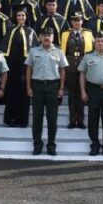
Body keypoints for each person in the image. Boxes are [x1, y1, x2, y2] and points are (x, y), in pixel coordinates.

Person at [26, 27, 68, 155]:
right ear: (39, 37)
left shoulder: (59, 52)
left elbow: (62, 71)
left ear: (53, 38)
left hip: (53, 86)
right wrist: (29, 87)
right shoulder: (33, 51)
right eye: (44, 35)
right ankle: (37, 145)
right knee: (37, 118)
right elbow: (29, 70)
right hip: (37, 86)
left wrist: (61, 88)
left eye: (49, 35)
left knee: (52, 118)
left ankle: (51, 145)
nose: (46, 38)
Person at [1, 6, 38, 127]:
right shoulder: (11, 30)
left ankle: (22, 119)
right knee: (11, 91)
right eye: (18, 15)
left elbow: (35, 49)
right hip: (12, 65)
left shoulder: (31, 31)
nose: (20, 17)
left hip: (25, 66)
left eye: (23, 15)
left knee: (23, 92)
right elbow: (4, 48)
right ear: (15, 17)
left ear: (26, 17)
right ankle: (10, 118)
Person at [60, 13, 95, 129]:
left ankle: (80, 120)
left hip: (84, 64)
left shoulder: (88, 34)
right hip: (70, 66)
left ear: (82, 22)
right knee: (71, 94)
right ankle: (72, 120)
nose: (76, 23)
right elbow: (62, 52)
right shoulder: (65, 34)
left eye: (78, 20)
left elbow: (92, 51)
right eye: (74, 21)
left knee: (82, 93)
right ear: (71, 22)